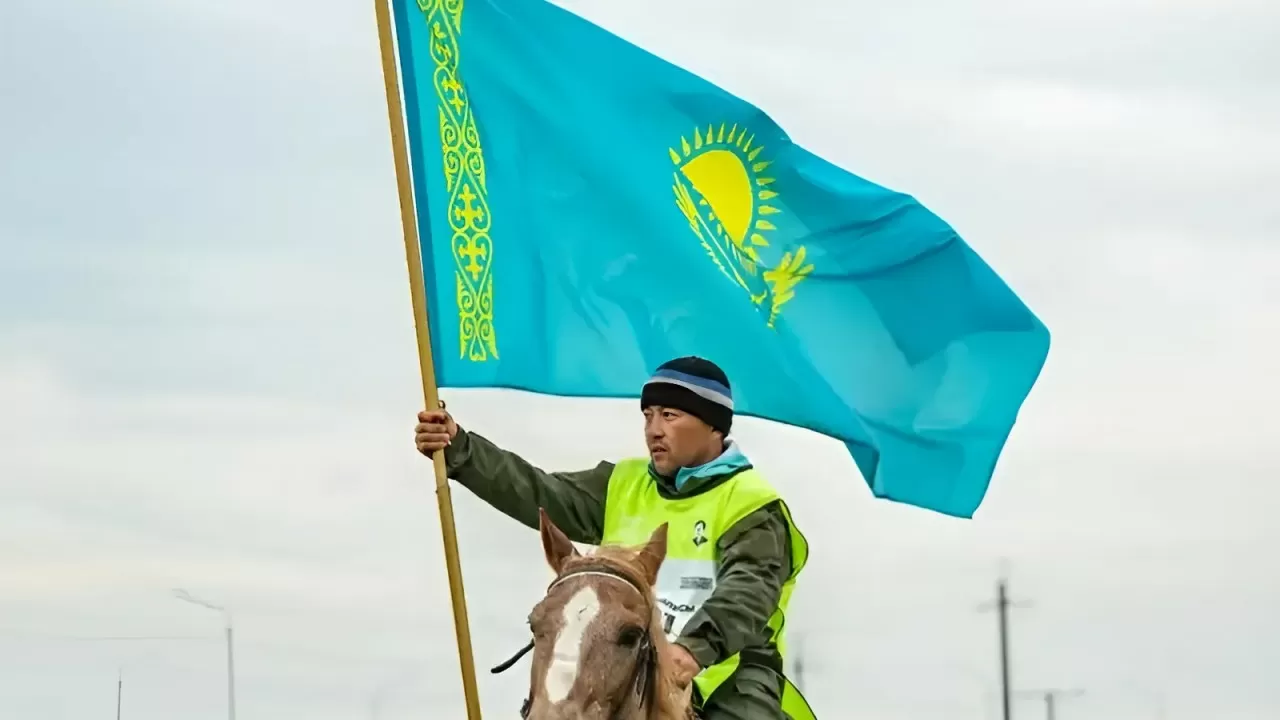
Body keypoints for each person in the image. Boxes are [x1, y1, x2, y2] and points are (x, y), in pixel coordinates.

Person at [414, 356, 813, 720]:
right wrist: (462, 450)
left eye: (670, 415)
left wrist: (692, 651)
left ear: (713, 425)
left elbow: (749, 592)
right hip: (620, 663)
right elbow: (539, 491)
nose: (654, 430)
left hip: (726, 676)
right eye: (648, 416)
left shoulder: (751, 504)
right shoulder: (623, 483)